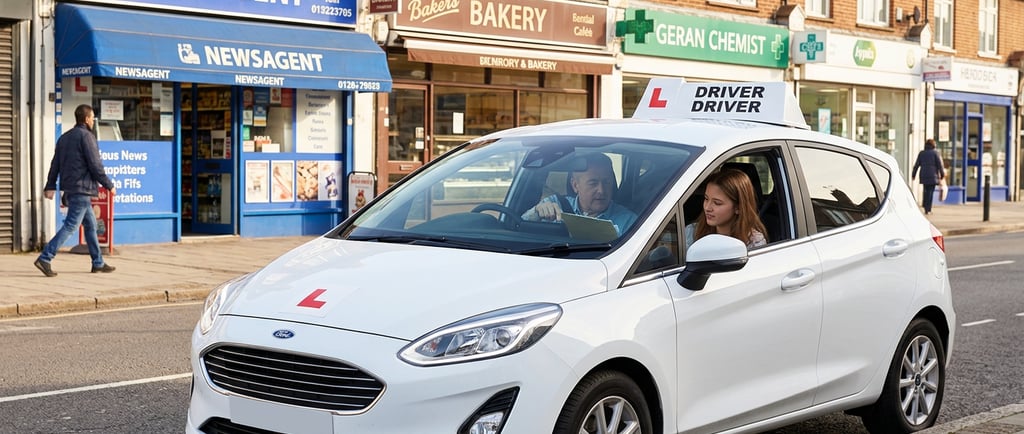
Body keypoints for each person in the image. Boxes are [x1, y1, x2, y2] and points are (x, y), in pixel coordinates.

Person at [34, 104, 117, 277]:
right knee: (71, 225)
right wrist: (109, 185)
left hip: (71, 189)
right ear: (86, 119)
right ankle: (45, 257)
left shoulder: (64, 138)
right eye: (92, 118)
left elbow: (55, 164)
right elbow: (95, 165)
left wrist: (50, 185)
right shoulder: (87, 137)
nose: (93, 121)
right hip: (82, 189)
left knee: (91, 225)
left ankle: (98, 262)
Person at [522, 152, 637, 235]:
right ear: (575, 185)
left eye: (606, 182)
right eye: (593, 183)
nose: (601, 190)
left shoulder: (628, 221)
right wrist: (536, 212)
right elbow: (517, 227)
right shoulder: (555, 205)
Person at [686, 168, 767, 249]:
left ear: (738, 207)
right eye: (706, 199)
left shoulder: (754, 242)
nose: (707, 208)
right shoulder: (692, 232)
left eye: (717, 203)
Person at [912, 138, 945, 214]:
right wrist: (942, 174)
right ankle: (928, 209)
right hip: (933, 175)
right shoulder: (935, 153)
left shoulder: (922, 153)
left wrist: (913, 174)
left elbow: (916, 165)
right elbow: (940, 165)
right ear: (933, 145)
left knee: (925, 191)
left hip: (924, 174)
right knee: (930, 192)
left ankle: (925, 206)